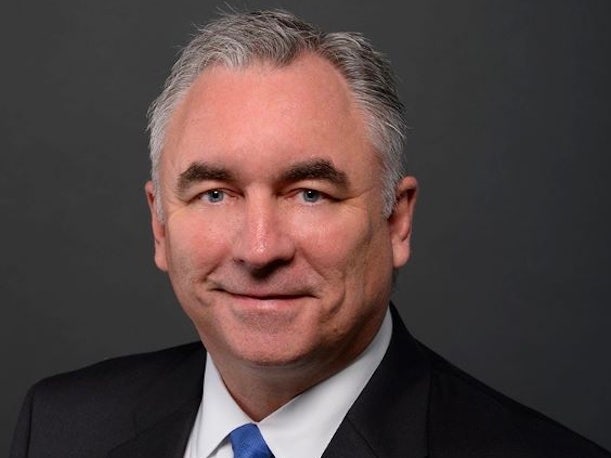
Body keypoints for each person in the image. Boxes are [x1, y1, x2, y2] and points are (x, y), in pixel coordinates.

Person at [10, 9, 610, 458]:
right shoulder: (61, 428)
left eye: (309, 194)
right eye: (215, 193)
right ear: (159, 225)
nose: (259, 249)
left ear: (396, 220)